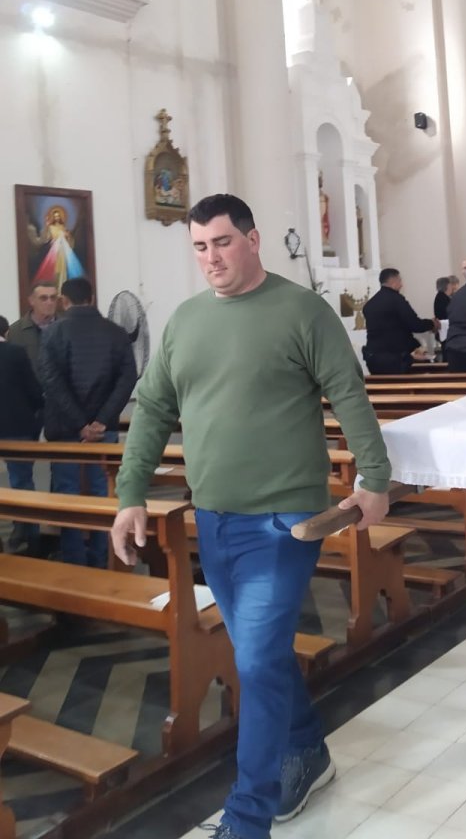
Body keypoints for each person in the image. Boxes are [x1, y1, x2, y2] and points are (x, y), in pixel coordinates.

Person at [112, 194, 391, 839]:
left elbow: (349, 391)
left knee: (257, 660)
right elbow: (152, 409)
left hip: (284, 519)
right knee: (260, 655)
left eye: (223, 242)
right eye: (201, 247)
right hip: (213, 517)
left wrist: (373, 479)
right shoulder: (184, 322)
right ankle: (307, 752)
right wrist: (131, 495)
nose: (212, 257)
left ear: (253, 238)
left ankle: (247, 817)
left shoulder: (300, 310)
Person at [39, 277, 137, 566]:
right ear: (92, 298)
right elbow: (127, 378)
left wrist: (81, 423)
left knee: (67, 498)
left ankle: (74, 562)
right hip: (102, 432)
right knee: (103, 495)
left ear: (64, 301)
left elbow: (51, 381)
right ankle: (102, 559)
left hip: (67, 431)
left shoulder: (54, 333)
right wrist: (102, 421)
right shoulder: (116, 333)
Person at [6, 281, 57, 552]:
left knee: (62, 467)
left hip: (61, 408)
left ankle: (59, 520)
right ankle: (23, 526)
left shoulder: (64, 327)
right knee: (21, 475)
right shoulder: (16, 332)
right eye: (43, 298)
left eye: (53, 298)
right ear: (31, 301)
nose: (49, 302)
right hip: (27, 410)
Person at [0, 315, 43, 555]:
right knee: (23, 485)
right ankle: (30, 538)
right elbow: (34, 391)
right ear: (6, 332)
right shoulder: (16, 353)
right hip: (18, 428)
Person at [362, 268, 435, 374]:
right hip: (395, 359)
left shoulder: (369, 305)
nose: (401, 285)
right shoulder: (397, 300)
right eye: (400, 281)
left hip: (374, 358)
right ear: (394, 281)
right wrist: (432, 324)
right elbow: (415, 325)